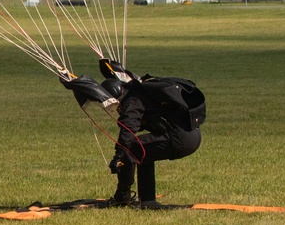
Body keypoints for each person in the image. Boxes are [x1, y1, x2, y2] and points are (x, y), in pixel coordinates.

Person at [62, 59, 206, 208]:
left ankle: (122, 197)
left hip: (181, 139)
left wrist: (119, 155)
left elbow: (128, 129)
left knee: (130, 150)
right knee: (143, 152)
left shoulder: (132, 101)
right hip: (191, 134)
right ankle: (147, 200)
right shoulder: (138, 89)